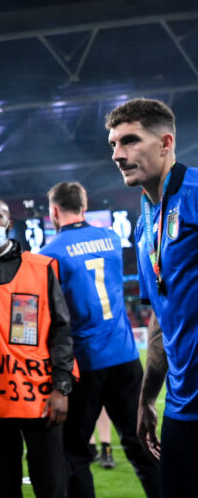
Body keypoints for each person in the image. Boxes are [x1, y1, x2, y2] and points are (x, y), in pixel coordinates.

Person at [39, 181, 161, 498]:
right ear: (84, 203)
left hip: (85, 363)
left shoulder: (49, 253)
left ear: (53, 211)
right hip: (125, 357)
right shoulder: (110, 238)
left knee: (74, 454)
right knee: (141, 444)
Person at [106, 97, 198, 496]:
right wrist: (147, 399)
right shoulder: (146, 226)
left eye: (129, 141)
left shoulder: (195, 193)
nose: (117, 154)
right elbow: (160, 317)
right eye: (112, 144)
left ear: (165, 142)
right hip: (181, 409)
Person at [0, 197, 74, 498]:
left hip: (41, 400)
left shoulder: (41, 268)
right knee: (5, 491)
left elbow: (62, 330)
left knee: (52, 489)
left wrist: (62, 388)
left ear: (9, 223)